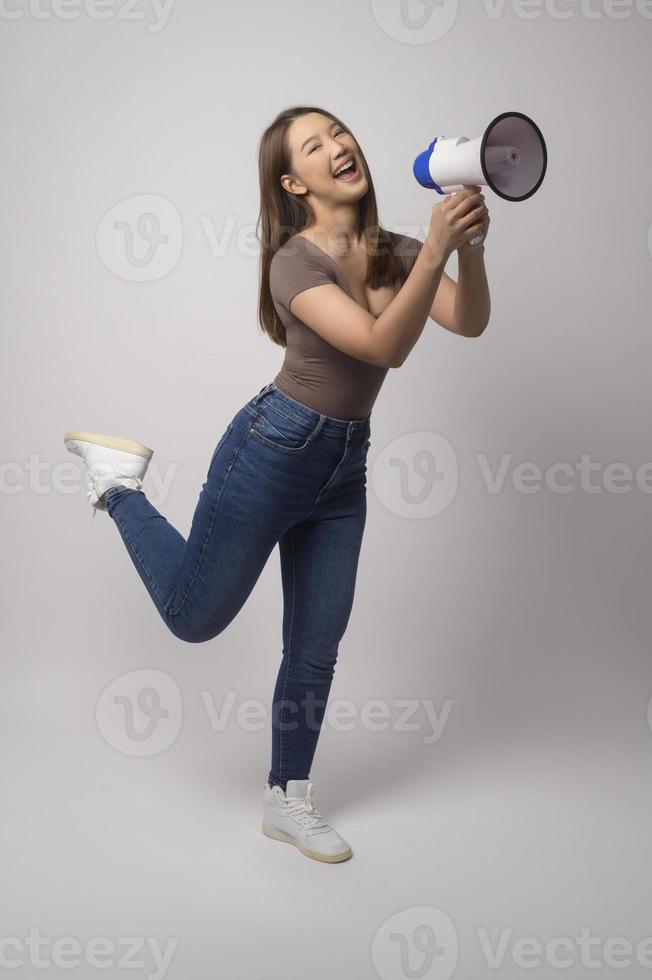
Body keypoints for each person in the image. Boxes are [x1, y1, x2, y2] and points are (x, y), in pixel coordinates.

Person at [63, 105, 490, 863]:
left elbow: (472, 320)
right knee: (194, 619)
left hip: (343, 465)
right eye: (315, 145)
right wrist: (435, 257)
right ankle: (120, 485)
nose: (339, 146)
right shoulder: (295, 261)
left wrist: (470, 252)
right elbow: (383, 347)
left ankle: (286, 798)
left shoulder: (394, 250)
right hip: (272, 448)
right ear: (294, 182)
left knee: (316, 645)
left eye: (341, 132)